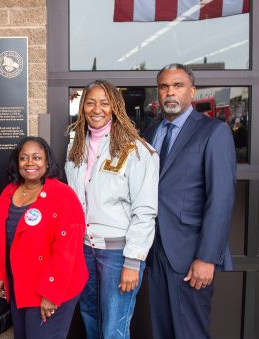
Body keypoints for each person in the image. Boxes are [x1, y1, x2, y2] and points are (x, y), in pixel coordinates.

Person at [144, 63, 236, 339]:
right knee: (162, 330)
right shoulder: (150, 133)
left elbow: (221, 197)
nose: (170, 93)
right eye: (164, 87)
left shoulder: (213, 132)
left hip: (190, 254)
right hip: (154, 250)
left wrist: (207, 257)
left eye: (178, 86)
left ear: (192, 92)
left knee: (189, 333)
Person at [65, 80, 159, 339]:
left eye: (105, 103)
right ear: (83, 107)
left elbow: (145, 210)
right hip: (85, 250)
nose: (97, 109)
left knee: (113, 330)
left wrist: (133, 261)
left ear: (116, 108)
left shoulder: (137, 150)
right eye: (91, 102)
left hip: (118, 255)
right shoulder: (77, 149)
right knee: (91, 320)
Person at [0, 136, 89, 339]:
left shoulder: (63, 195)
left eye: (37, 157)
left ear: (47, 162)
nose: (30, 163)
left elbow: (67, 249)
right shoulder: (8, 193)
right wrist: (0, 274)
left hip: (52, 288)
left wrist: (52, 293)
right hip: (20, 285)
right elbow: (2, 238)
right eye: (24, 158)